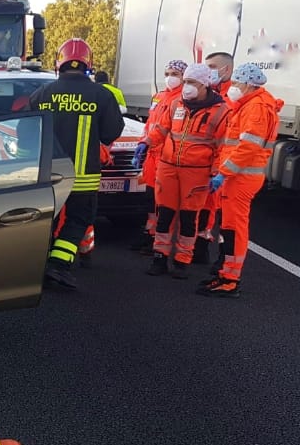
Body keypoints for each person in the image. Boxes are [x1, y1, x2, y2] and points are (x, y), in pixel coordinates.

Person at [29, 38, 125, 290]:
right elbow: (111, 133)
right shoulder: (102, 95)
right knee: (78, 220)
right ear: (88, 64)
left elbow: (25, 133)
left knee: (46, 220)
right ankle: (59, 264)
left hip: (47, 174)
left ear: (58, 63)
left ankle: (37, 264)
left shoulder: (41, 94)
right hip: (83, 177)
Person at [138, 63, 230, 279]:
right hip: (168, 167)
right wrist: (146, 142)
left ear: (205, 85)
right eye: (186, 81)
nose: (186, 86)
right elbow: (161, 129)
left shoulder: (220, 111)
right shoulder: (176, 104)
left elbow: (222, 146)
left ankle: (182, 260)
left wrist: (217, 172)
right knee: (164, 215)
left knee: (189, 218)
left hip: (197, 172)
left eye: (192, 82)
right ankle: (159, 257)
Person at [200, 63, 283, 298]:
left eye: (236, 82)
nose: (233, 87)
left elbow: (248, 147)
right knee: (229, 227)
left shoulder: (256, 108)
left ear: (248, 84)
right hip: (239, 176)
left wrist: (223, 173)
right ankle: (226, 274)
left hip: (241, 177)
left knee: (234, 228)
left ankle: (230, 280)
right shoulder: (250, 105)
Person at [132, 59, 188, 254]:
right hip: (152, 154)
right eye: (167, 74)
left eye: (175, 74)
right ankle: (150, 232)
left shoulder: (182, 99)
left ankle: (158, 238)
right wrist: (142, 143)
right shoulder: (159, 96)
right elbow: (150, 124)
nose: (170, 78)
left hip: (166, 156)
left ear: (184, 77)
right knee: (150, 198)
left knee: (163, 201)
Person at [195, 52, 236, 265]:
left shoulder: (233, 99)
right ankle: (200, 248)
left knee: (224, 215)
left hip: (225, 165)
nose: (208, 70)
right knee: (204, 208)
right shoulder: (208, 95)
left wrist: (221, 169)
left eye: (212, 66)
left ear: (226, 69)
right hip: (207, 163)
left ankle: (223, 260)